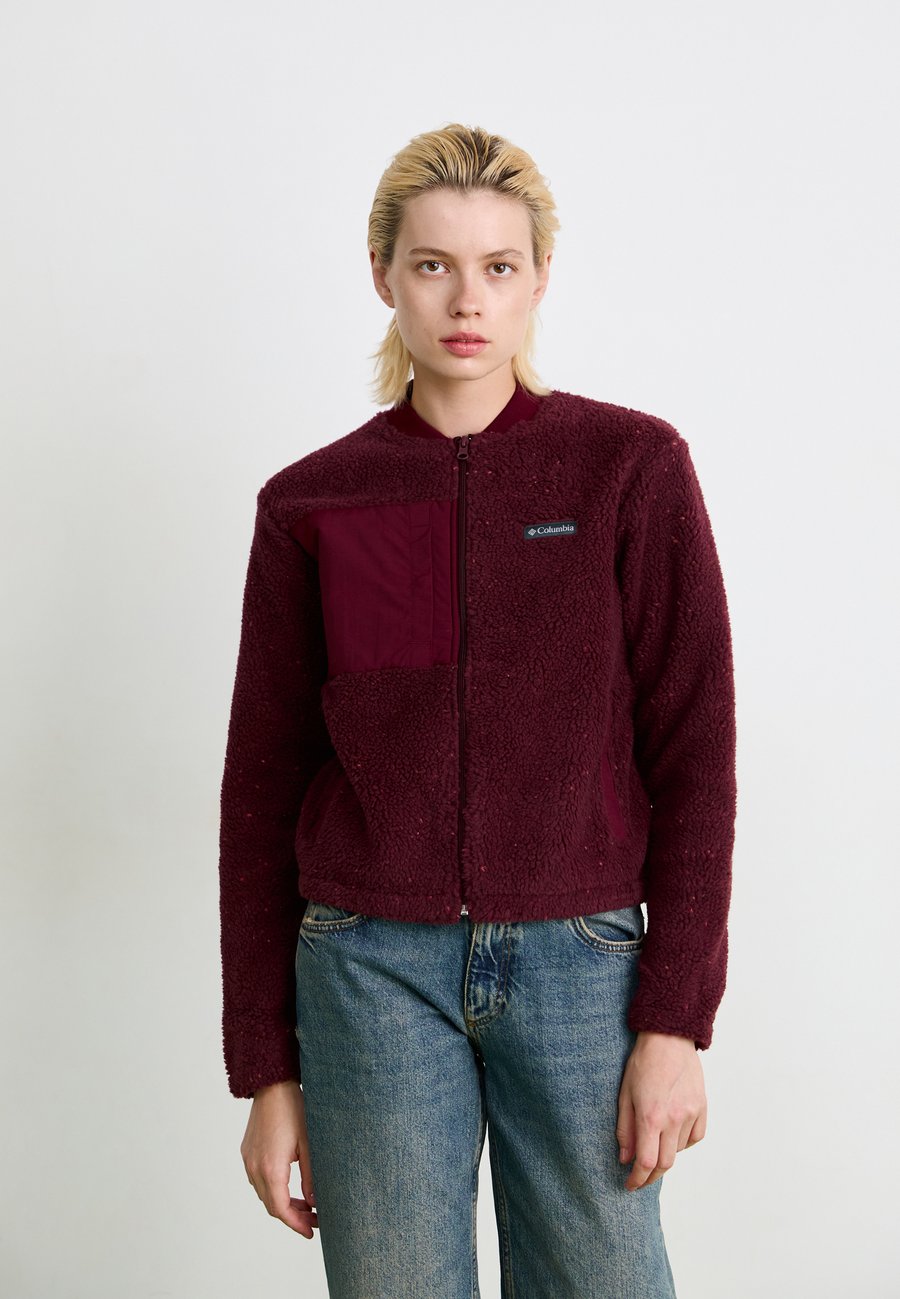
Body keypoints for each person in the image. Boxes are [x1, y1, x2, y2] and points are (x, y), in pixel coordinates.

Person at [219, 122, 737, 1298]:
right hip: (367, 969)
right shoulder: (313, 503)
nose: (467, 299)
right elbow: (261, 788)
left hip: (582, 963)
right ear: (383, 275)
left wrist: (675, 1021)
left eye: (499, 266)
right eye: (433, 265)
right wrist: (267, 1070)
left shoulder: (628, 469)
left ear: (540, 277)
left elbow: (696, 751)